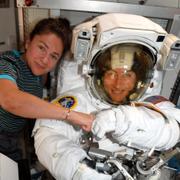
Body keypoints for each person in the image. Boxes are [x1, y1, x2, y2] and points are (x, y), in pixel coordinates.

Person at [33, 42, 180, 180]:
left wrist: (121, 120)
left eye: (127, 75)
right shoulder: (76, 100)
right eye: (111, 73)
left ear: (138, 79)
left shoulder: (151, 103)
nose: (118, 83)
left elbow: (173, 130)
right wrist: (84, 171)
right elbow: (48, 137)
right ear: (99, 74)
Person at [0, 17, 94, 162]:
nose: (45, 60)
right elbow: (10, 100)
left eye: (53, 56)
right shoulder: (7, 63)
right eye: (41, 48)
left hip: (14, 134)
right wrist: (71, 115)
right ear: (28, 42)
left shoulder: (40, 73)